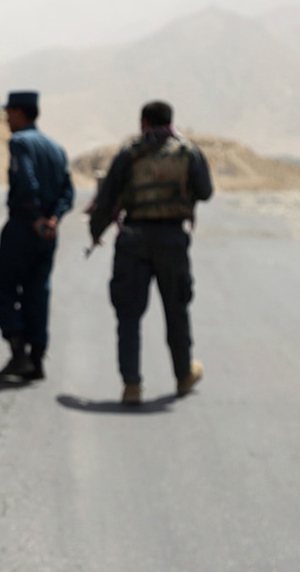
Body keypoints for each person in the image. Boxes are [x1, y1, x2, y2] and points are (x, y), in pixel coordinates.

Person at [88, 100, 214, 406]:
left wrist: (95, 232)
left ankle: (131, 385)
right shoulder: (188, 152)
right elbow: (206, 191)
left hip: (133, 239)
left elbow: (107, 198)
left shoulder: (129, 152)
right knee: (176, 309)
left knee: (128, 314)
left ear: (143, 121)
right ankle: (184, 375)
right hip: (172, 239)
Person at [0, 90, 75, 381]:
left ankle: (18, 354)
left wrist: (36, 216)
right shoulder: (55, 148)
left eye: (10, 113)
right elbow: (68, 191)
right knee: (37, 293)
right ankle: (37, 359)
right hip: (47, 234)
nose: (6, 119)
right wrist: (53, 219)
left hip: (24, 228)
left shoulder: (20, 143)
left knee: (3, 290)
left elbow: (27, 182)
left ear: (20, 113)